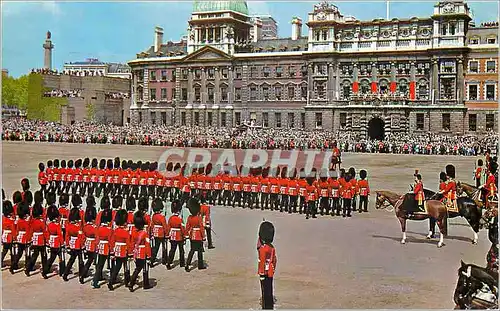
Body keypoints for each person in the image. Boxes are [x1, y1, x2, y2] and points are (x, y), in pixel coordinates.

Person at [128, 211, 152, 291]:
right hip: (143, 253)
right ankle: (145, 284)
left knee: (137, 268)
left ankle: (131, 283)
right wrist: (149, 255)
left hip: (136, 252)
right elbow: (147, 245)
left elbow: (132, 243)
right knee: (144, 269)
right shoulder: (144, 233)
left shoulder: (134, 232)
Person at [108, 209, 131, 291]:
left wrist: (112, 251)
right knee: (126, 266)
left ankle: (111, 281)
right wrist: (130, 252)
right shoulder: (126, 232)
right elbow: (128, 243)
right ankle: (127, 281)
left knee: (117, 267)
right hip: (124, 250)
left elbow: (112, 242)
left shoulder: (115, 231)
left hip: (117, 250)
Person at [257, 221, 277, 310]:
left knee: (264, 291)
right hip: (270, 271)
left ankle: (266, 306)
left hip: (264, 272)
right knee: (269, 289)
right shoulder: (271, 247)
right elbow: (274, 260)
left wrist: (261, 273)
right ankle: (269, 305)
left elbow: (261, 261)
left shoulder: (263, 249)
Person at [92, 208, 114, 289]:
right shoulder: (109, 230)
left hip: (99, 246)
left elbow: (97, 237)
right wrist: (112, 251)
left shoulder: (99, 228)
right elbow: (111, 241)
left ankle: (95, 280)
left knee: (100, 265)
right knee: (111, 265)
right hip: (106, 247)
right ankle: (111, 282)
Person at [62, 207, 85, 282]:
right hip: (78, 244)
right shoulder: (78, 226)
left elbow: (67, 236)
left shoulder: (69, 225)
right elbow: (80, 236)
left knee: (71, 260)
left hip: (72, 244)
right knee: (80, 261)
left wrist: (68, 244)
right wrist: (83, 244)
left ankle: (65, 274)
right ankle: (81, 276)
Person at [42, 205, 65, 279]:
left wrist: (48, 241)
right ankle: (62, 272)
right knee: (61, 258)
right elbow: (60, 235)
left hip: (52, 243)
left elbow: (47, 234)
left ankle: (45, 271)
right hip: (57, 243)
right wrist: (62, 243)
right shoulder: (57, 225)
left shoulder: (49, 225)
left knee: (52, 258)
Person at [26, 202, 47, 276]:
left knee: (34, 255)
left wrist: (29, 239)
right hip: (41, 240)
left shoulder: (32, 221)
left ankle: (28, 269)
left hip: (35, 240)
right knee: (44, 256)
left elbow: (30, 231)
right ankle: (44, 272)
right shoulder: (41, 222)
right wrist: (47, 240)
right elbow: (45, 232)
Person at [185, 198, 206, 271]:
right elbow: (201, 228)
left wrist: (186, 234)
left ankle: (187, 264)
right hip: (198, 236)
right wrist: (203, 236)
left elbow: (187, 226)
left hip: (192, 235)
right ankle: (200, 265)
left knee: (192, 251)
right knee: (200, 251)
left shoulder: (189, 217)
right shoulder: (199, 218)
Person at [12, 202, 31, 274]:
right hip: (25, 238)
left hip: (19, 238)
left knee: (19, 253)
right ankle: (27, 267)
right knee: (27, 253)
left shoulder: (19, 221)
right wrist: (29, 239)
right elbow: (28, 231)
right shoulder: (26, 222)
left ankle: (13, 266)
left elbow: (16, 230)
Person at [80, 205, 97, 284]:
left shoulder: (85, 227)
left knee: (90, 260)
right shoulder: (94, 227)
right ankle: (85, 274)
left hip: (87, 244)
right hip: (93, 245)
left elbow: (83, 236)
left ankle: (83, 274)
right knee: (92, 260)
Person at [167, 200, 186, 270]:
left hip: (172, 236)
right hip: (179, 236)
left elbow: (168, 227)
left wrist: (167, 235)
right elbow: (183, 228)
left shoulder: (170, 218)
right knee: (181, 250)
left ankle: (169, 263)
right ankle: (182, 263)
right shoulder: (179, 219)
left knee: (172, 250)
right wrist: (185, 235)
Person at [151, 197, 168, 266]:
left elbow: (152, 225)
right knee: (164, 247)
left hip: (156, 233)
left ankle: (152, 260)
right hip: (162, 233)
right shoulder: (162, 217)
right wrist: (167, 234)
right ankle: (164, 260)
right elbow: (165, 226)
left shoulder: (153, 216)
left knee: (156, 247)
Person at [2, 200, 17, 271]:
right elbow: (13, 229)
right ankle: (14, 264)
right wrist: (15, 237)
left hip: (4, 235)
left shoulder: (3, 218)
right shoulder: (11, 219)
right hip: (10, 236)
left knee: (5, 250)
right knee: (12, 251)